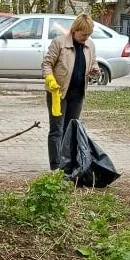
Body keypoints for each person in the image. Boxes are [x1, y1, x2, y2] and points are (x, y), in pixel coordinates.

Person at [41, 13, 100, 171]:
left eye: (88, 35)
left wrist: (95, 69)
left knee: (70, 129)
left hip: (77, 94)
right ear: (74, 30)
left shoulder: (90, 45)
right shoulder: (59, 42)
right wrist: (50, 79)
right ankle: (55, 166)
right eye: (83, 34)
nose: (86, 38)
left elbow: (93, 62)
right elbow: (47, 64)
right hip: (58, 93)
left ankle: (67, 164)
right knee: (57, 130)